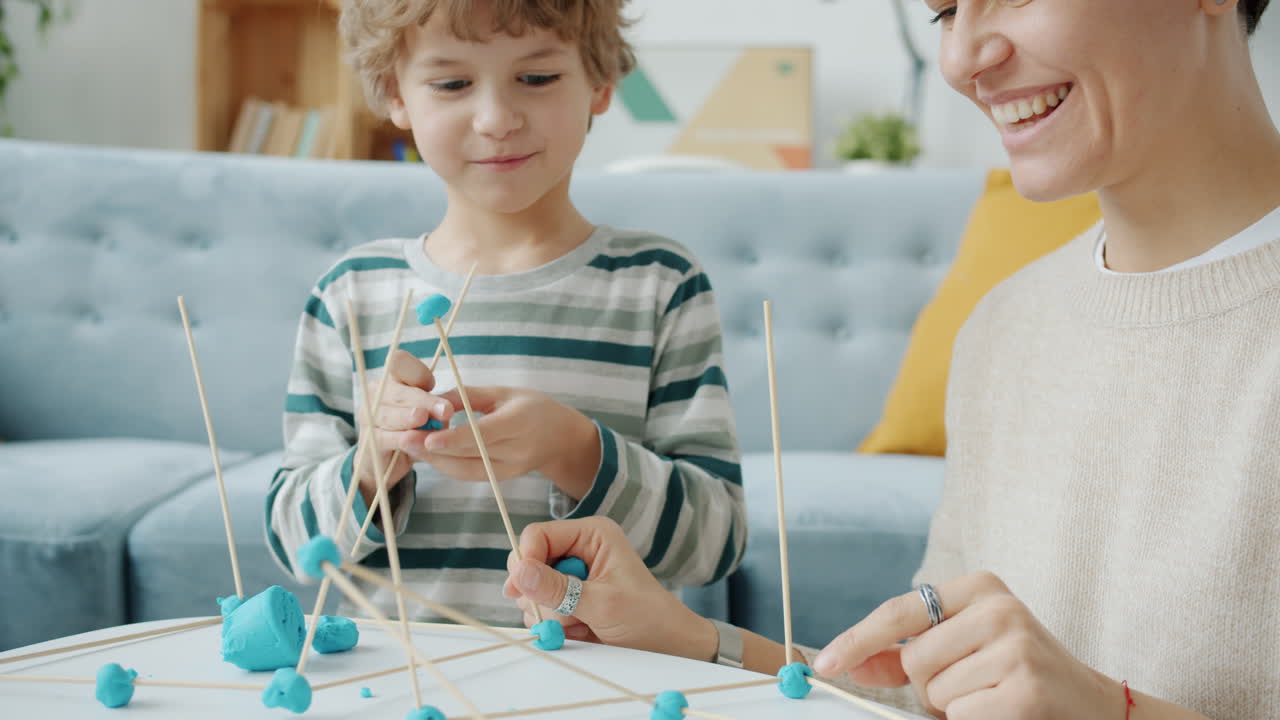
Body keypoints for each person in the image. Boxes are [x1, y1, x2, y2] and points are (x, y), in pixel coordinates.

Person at [502, 0, 1280, 717]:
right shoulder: (1003, 330)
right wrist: (686, 641)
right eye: (945, 9)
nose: (963, 56)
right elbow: (925, 699)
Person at [266, 0, 746, 627]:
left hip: (600, 684)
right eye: (452, 83)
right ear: (395, 93)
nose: (496, 119)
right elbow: (296, 548)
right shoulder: (352, 295)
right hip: (400, 682)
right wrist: (373, 466)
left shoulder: (659, 283)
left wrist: (576, 449)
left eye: (538, 78)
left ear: (599, 82)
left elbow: (715, 544)